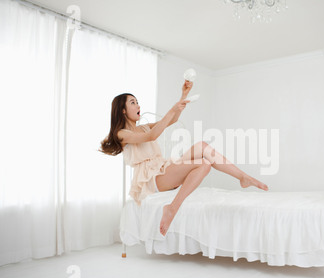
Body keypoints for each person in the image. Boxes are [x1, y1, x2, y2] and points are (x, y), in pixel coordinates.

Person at [100, 80, 268, 236]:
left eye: (137, 102)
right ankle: (172, 208)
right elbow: (152, 136)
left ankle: (243, 177)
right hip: (151, 179)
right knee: (203, 164)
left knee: (202, 148)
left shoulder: (143, 127)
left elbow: (171, 121)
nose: (138, 105)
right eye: (133, 103)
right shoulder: (122, 133)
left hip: (163, 167)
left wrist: (183, 96)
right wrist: (173, 108)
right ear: (122, 110)